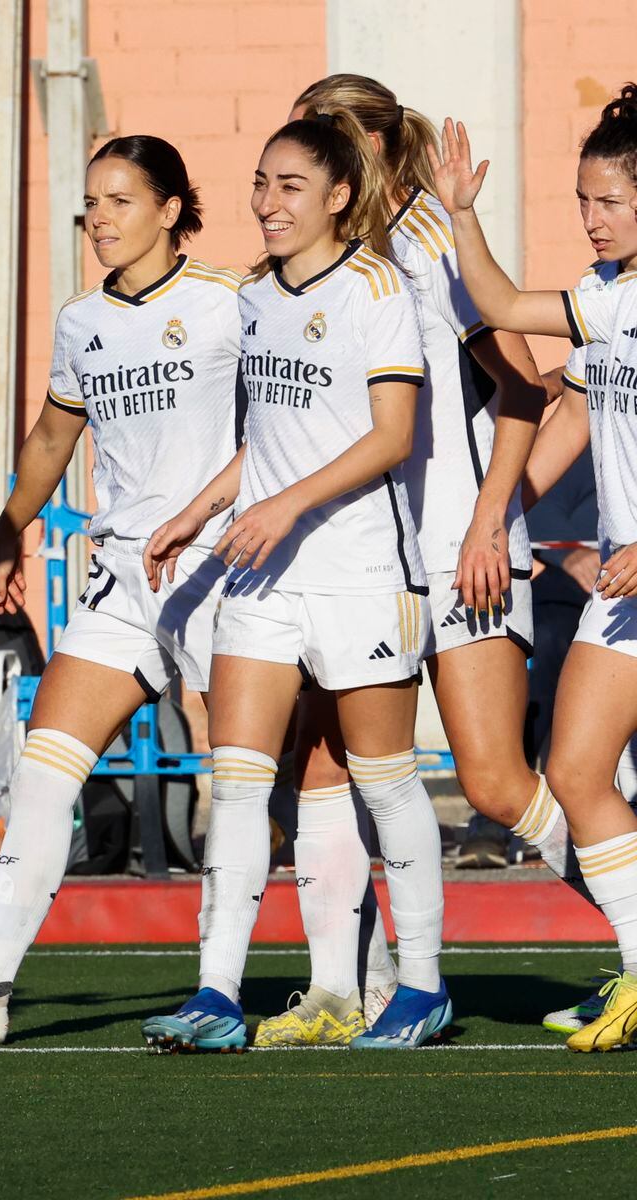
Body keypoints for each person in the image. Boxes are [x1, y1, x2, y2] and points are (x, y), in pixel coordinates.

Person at [245, 75, 565, 1047]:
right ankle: (348, 987)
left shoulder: (429, 240)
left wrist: (486, 522)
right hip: (357, 558)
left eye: (325, 139)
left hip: (456, 546)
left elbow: (523, 388)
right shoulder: (318, 270)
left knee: (497, 785)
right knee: (327, 767)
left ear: (371, 148)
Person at [0, 135, 243, 1044]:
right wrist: (12, 527)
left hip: (222, 568)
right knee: (41, 772)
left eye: (119, 201)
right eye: (90, 203)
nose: (97, 218)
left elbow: (294, 429)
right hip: (124, 578)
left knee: (267, 780)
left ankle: (320, 976)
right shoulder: (80, 321)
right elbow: (53, 436)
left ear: (172, 209)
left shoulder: (229, 305)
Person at [142, 108, 450, 1053]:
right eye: (261, 184)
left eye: (289, 187)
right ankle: (216, 994)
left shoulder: (375, 289)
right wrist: (203, 508)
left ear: (339, 197)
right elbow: (265, 443)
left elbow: (391, 437)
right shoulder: (253, 297)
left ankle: (423, 986)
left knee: (387, 782)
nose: (266, 204)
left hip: (359, 572)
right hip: (261, 580)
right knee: (236, 784)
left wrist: (284, 507)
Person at [430, 88, 637, 1050]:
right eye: (582, 199)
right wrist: (463, 215)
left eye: (607, 201)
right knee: (576, 772)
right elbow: (508, 305)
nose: (589, 218)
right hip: (623, 596)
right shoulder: (603, 299)